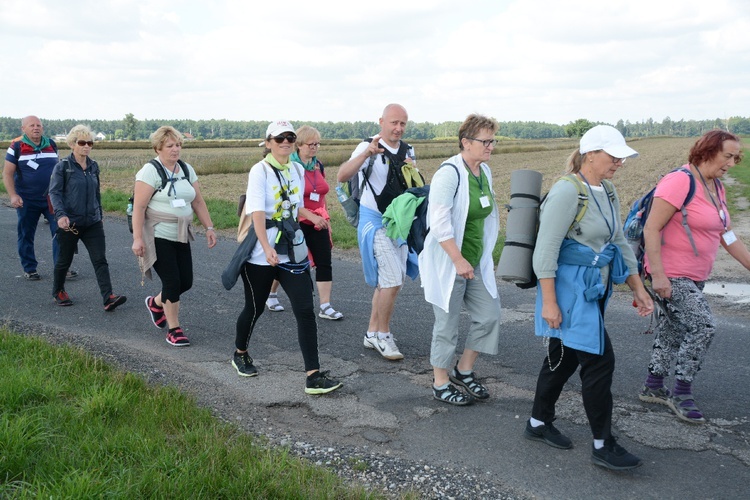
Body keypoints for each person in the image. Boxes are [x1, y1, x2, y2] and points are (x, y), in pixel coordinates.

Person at [523, 125, 654, 471]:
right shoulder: (568, 192)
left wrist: (637, 288)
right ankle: (602, 444)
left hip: (594, 287)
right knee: (599, 360)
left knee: (564, 355)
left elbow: (619, 242)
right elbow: (545, 251)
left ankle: (537, 422)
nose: (619, 163)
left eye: (621, 157)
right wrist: (549, 303)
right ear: (591, 153)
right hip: (568, 289)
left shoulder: (607, 190)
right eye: (614, 156)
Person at [638, 130, 750, 424]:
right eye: (728, 155)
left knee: (674, 329)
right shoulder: (680, 181)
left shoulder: (716, 187)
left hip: (695, 276)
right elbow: (652, 228)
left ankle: (652, 387)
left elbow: (727, 235)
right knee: (703, 326)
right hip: (671, 274)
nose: (732, 162)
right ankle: (681, 393)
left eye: (735, 157)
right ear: (708, 151)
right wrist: (658, 275)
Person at [231, 120, 343, 395]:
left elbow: (297, 205)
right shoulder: (260, 171)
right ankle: (240, 353)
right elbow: (257, 211)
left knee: (305, 310)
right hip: (262, 254)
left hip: (292, 250)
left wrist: (311, 216)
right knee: (254, 308)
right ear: (268, 142)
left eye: (290, 138)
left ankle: (313, 376)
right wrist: (266, 248)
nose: (285, 142)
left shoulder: (295, 169)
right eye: (279, 138)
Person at [419, 114, 501, 406]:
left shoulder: (484, 172)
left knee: (489, 316)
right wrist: (458, 260)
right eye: (486, 141)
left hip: (476, 262)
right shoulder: (449, 174)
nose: (491, 146)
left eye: (493, 140)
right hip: (450, 262)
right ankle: (440, 383)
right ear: (466, 142)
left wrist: (480, 257)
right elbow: (439, 224)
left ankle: (462, 370)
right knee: (447, 324)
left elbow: (486, 216)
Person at [337, 103, 421, 361]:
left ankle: (372, 332)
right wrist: (366, 155)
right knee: (393, 279)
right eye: (393, 122)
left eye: (402, 123)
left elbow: (414, 183)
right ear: (381, 121)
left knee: (391, 281)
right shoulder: (367, 146)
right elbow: (341, 175)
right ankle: (383, 335)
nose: (398, 128)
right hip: (374, 222)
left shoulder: (408, 150)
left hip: (398, 223)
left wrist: (412, 169)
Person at [131, 126, 216, 347]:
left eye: (178, 145)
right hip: (157, 233)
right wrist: (137, 238)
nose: (175, 149)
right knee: (171, 281)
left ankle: (155, 303)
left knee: (185, 282)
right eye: (170, 146)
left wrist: (209, 228)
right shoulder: (149, 171)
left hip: (182, 234)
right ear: (158, 147)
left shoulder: (186, 169)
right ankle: (174, 329)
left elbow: (197, 201)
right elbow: (139, 208)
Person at [265, 126, 343, 320]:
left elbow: (322, 197)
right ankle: (271, 294)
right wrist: (311, 216)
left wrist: (326, 218)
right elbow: (292, 201)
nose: (314, 148)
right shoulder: (291, 167)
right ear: (298, 145)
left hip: (318, 221)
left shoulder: (319, 166)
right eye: (310, 144)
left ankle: (325, 306)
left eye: (317, 144)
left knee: (324, 262)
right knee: (291, 260)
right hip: (296, 222)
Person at [48, 125, 126, 310]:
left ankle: (108, 298)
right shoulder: (63, 167)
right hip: (70, 223)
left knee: (100, 259)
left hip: (92, 222)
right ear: (72, 144)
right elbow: (55, 193)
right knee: (64, 260)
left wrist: (99, 213)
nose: (86, 146)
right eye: (82, 142)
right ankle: (58, 291)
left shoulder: (93, 166)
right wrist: (60, 215)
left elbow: (96, 192)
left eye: (89, 143)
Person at [3, 115, 77, 281]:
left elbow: (58, 171)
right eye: (31, 125)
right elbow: (7, 173)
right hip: (26, 199)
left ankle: (61, 267)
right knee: (26, 233)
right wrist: (13, 195)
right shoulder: (16, 146)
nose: (36, 128)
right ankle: (29, 268)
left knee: (60, 232)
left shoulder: (51, 144)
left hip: (52, 198)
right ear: (23, 129)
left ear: (42, 128)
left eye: (38, 125)